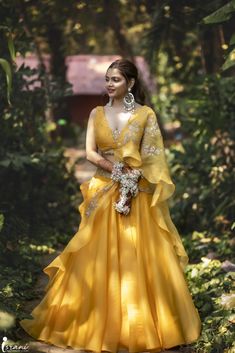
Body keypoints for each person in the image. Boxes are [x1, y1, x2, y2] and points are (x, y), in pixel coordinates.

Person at [20, 59, 201, 352]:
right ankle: (93, 323)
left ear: (130, 83)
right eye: (107, 79)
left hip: (137, 195)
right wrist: (116, 170)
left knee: (136, 257)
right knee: (95, 255)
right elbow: (90, 152)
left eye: (115, 79)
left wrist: (135, 176)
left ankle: (144, 326)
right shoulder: (96, 113)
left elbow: (153, 155)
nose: (109, 84)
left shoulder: (145, 114)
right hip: (103, 191)